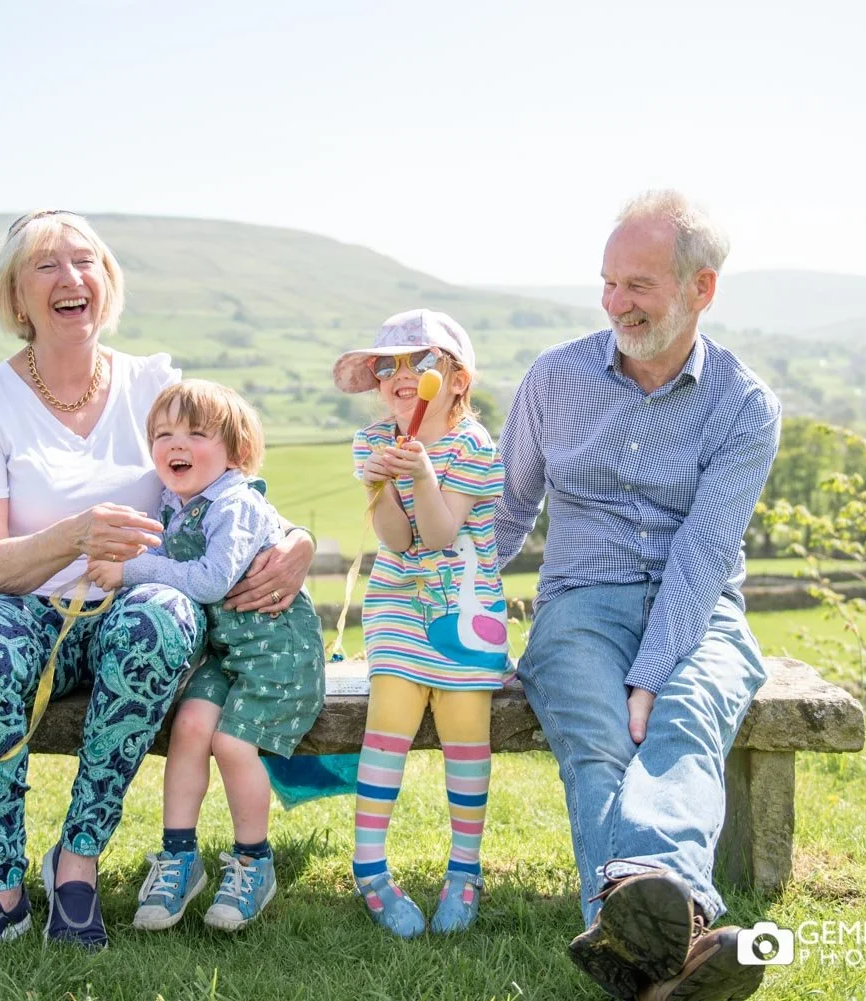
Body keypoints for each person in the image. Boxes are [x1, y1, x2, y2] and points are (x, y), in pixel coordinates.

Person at [0, 210, 316, 963]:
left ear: (107, 284)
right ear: (16, 297)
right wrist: (74, 535)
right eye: (47, 266)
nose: (71, 279)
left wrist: (294, 538)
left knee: (162, 615)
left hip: (133, 609)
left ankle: (77, 864)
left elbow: (224, 478)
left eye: (86, 263)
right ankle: (0, 886)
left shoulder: (151, 381)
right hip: (30, 611)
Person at [495, 191, 781, 1001]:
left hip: (700, 606)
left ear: (702, 289)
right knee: (599, 740)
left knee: (684, 722)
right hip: (581, 601)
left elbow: (703, 552)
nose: (616, 303)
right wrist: (448, 604)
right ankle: (685, 929)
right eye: (608, 283)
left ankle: (643, 952)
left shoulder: (744, 404)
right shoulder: (554, 379)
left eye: (639, 285)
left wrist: (652, 674)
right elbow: (509, 510)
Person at [80, 379, 326, 933]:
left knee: (231, 743)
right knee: (190, 725)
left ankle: (253, 862)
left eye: (196, 433)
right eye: (163, 434)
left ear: (236, 454)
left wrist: (132, 571)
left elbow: (213, 581)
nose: (176, 444)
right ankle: (179, 858)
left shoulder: (234, 504)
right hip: (230, 652)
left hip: (277, 653)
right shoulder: (179, 503)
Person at [333, 308, 511, 938]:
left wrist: (423, 473)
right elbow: (400, 541)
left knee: (466, 732)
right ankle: (370, 869)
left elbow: (439, 534)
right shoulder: (372, 443)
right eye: (388, 366)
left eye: (420, 362)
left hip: (466, 612)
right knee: (388, 727)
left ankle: (465, 870)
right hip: (399, 607)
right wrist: (381, 487)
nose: (401, 376)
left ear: (457, 380)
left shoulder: (472, 445)